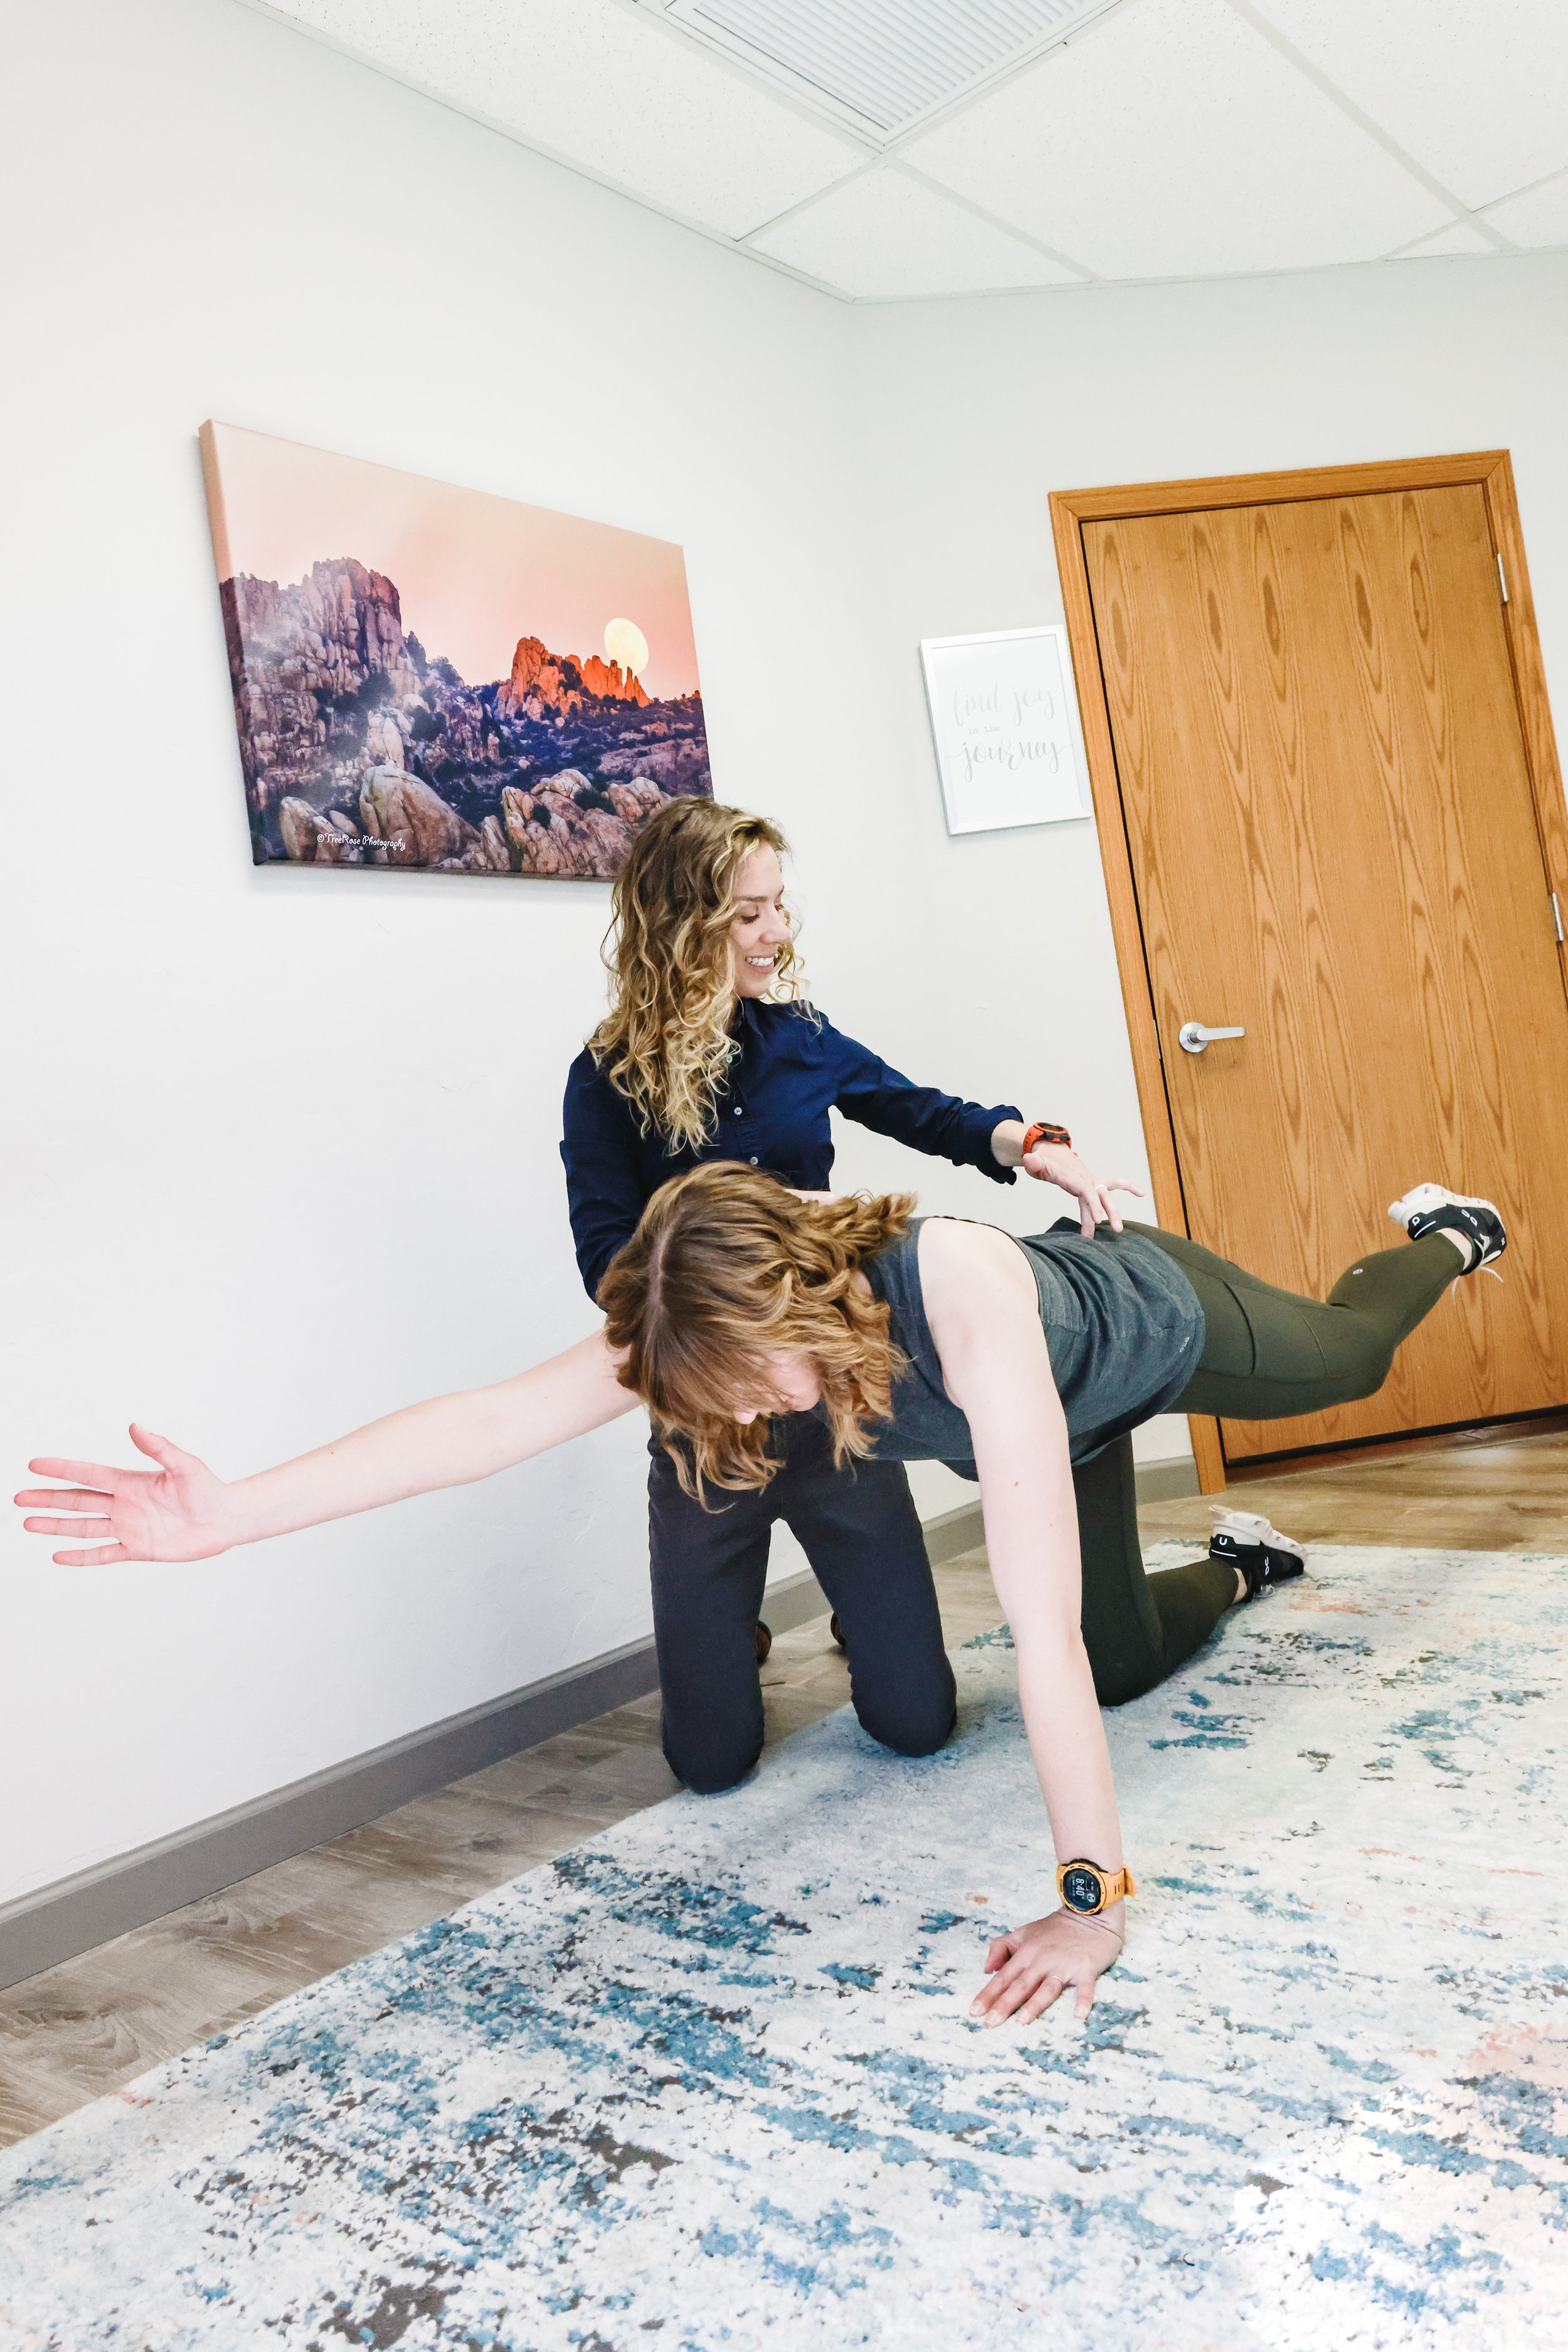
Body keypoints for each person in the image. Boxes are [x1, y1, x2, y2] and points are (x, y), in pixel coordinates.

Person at [17, 1168, 1503, 2028]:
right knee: (1123, 1663)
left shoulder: (960, 1300)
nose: (732, 1418)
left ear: (798, 1314)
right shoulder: (708, 1304)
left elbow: (1025, 1632)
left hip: (1152, 1333)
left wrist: (1087, 1903)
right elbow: (485, 1421)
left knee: (1347, 1364)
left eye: (738, 1388)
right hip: (1050, 1429)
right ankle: (1237, 1565)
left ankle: (1443, 1233)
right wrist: (235, 1515)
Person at [561, 796, 1140, 1797]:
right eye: (749, 914)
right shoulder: (607, 1079)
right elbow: (609, 1267)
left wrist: (1036, 1146)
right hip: (713, 1433)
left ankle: (857, 1606)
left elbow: (924, 1113)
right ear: (680, 924)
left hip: (837, 1415)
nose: (777, 933)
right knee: (709, 1763)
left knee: (919, 1722)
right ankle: (724, 1620)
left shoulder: (802, 1038)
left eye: (778, 906)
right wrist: (750, 1239)